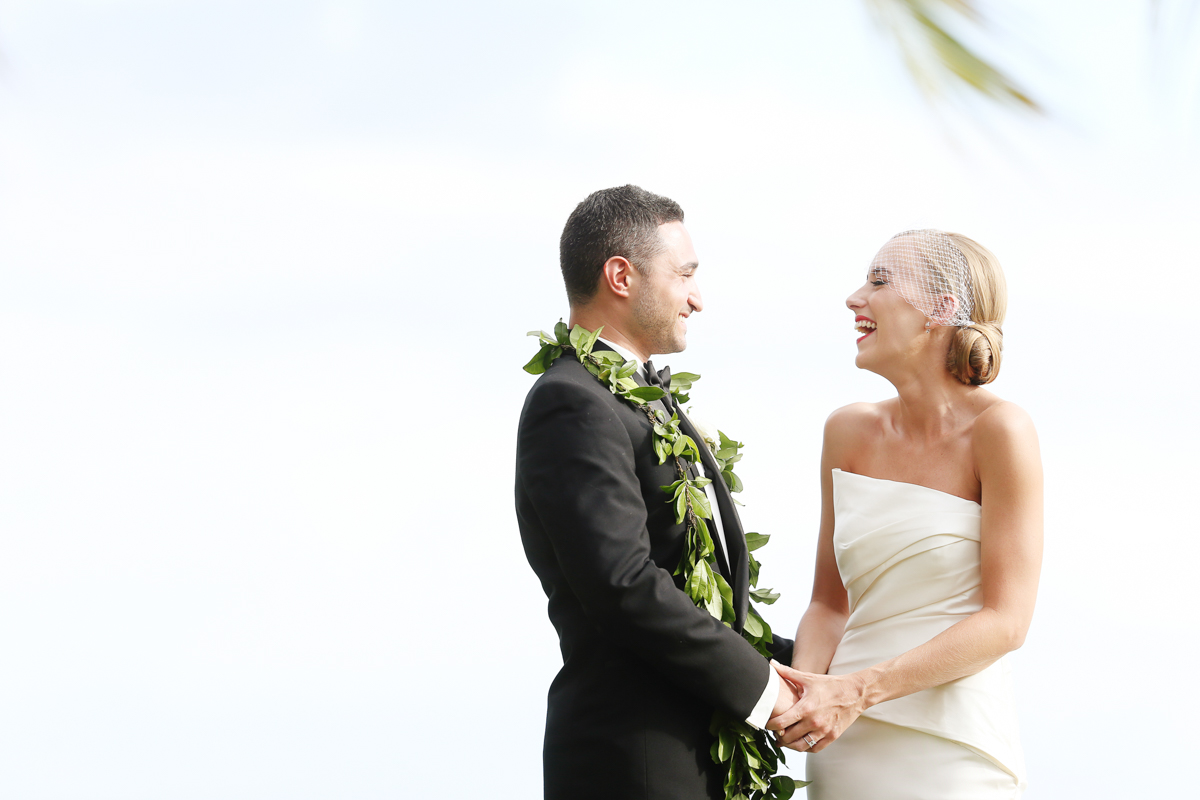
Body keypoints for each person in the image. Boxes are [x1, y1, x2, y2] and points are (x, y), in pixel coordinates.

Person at [515, 185, 799, 800]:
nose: (698, 298)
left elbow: (702, 595)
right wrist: (772, 695)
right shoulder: (571, 402)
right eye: (685, 275)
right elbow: (623, 584)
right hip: (634, 763)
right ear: (621, 275)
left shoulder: (636, 402)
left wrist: (814, 665)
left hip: (694, 755)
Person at [767, 230, 1042, 799]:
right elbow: (828, 602)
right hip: (846, 747)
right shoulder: (846, 431)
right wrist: (806, 689)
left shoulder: (1002, 432)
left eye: (879, 280)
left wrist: (859, 691)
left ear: (940, 310)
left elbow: (1007, 620)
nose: (854, 297)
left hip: (952, 747)